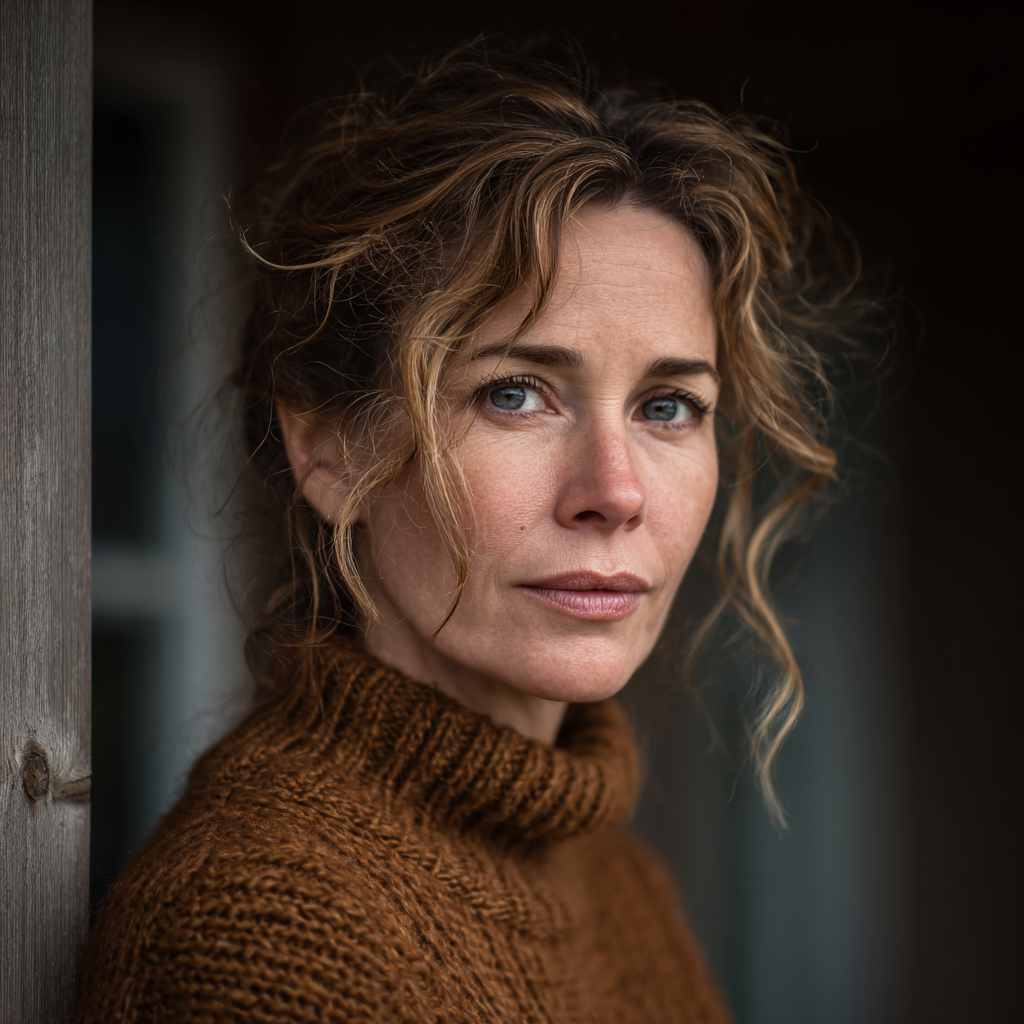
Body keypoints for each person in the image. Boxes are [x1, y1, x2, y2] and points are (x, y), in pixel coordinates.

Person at [77, 47, 841, 1023]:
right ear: (331, 450)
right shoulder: (261, 928)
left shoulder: (620, 888)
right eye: (514, 394)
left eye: (667, 406)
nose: (614, 493)